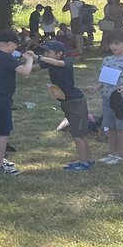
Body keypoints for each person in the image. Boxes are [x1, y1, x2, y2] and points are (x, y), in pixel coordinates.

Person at [0, 30, 36, 175]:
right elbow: (25, 72)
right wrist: (30, 59)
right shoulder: (6, 58)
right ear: (9, 44)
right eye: (15, 45)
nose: (16, 48)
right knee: (3, 133)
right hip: (1, 99)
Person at [37, 40, 93, 170]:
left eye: (48, 52)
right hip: (66, 101)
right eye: (44, 52)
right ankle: (87, 159)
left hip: (75, 102)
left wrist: (38, 57)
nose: (45, 54)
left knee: (78, 134)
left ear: (59, 54)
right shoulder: (48, 62)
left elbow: (56, 63)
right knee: (79, 132)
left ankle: (84, 163)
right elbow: (35, 68)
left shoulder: (66, 63)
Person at [97, 30, 123, 164]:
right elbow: (104, 80)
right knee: (111, 127)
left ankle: (120, 156)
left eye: (117, 43)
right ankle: (112, 154)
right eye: (111, 44)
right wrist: (96, 87)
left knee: (122, 128)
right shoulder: (107, 60)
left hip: (122, 100)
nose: (113, 46)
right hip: (106, 98)